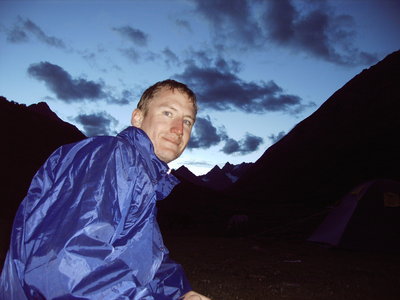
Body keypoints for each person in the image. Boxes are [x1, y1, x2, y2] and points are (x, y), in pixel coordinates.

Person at [0, 79, 211, 300]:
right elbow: (67, 266)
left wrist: (182, 293)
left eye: (187, 121)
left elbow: (149, 261)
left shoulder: (142, 178)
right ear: (137, 118)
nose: (178, 129)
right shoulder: (112, 157)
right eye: (168, 113)